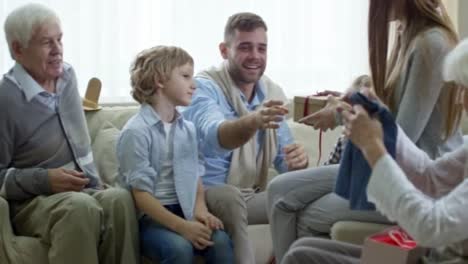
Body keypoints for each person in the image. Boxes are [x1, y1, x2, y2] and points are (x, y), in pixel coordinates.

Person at [267, 0, 464, 262]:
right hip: (408, 168)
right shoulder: (408, 35)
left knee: (295, 207)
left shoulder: (431, 43)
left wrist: (345, 115)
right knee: (278, 190)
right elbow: (391, 116)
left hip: (411, 176)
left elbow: (400, 134)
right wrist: (349, 103)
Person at [0, 3, 138, 264]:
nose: (57, 50)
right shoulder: (6, 99)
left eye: (59, 39)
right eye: (46, 42)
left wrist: (94, 182)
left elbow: (79, 142)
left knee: (119, 199)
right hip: (32, 201)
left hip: (81, 189)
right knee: (79, 207)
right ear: (18, 49)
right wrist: (45, 180)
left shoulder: (67, 76)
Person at [183, 12, 309, 264]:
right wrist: (253, 120)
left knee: (305, 198)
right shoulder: (204, 88)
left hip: (250, 194)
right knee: (230, 197)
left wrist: (298, 161)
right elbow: (215, 136)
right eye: (245, 47)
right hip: (207, 195)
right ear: (224, 50)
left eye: (261, 48)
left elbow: (285, 164)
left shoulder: (271, 92)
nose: (255, 56)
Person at [117, 46, 234, 264]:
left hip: (186, 209)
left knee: (220, 242)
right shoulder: (136, 132)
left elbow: (195, 175)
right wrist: (182, 227)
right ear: (160, 80)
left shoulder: (188, 129)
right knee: (179, 249)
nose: (194, 84)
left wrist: (200, 210)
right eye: (185, 76)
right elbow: (140, 195)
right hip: (150, 218)